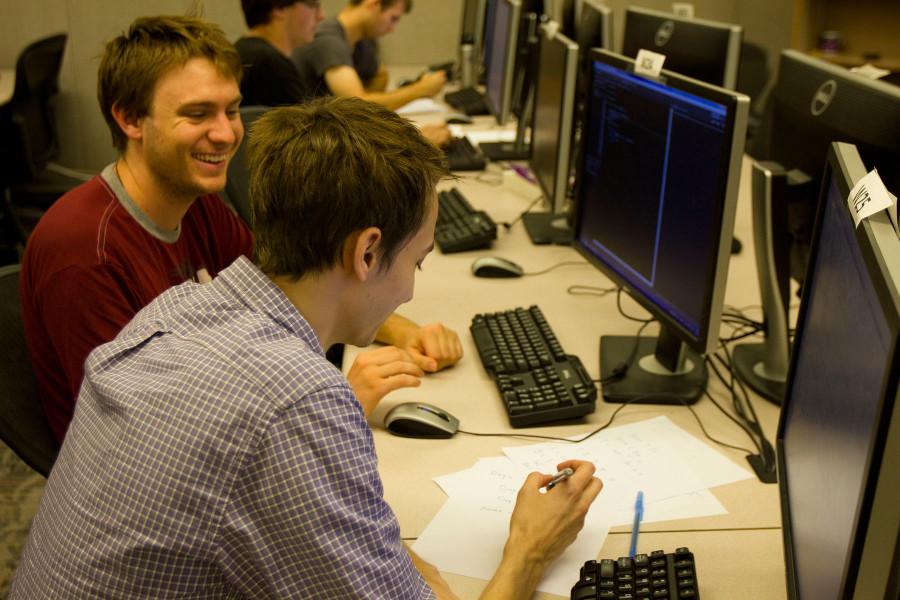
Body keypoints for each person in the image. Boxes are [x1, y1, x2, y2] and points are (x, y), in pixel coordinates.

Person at [10, 96, 603, 599]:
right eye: (416, 260)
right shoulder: (294, 401)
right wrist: (528, 549)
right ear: (367, 252)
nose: (412, 288)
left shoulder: (176, 310)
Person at [19, 14, 461, 443]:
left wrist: (398, 328)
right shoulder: (84, 251)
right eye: (197, 114)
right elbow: (132, 434)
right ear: (130, 120)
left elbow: (286, 287)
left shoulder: (195, 204)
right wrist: (337, 405)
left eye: (231, 110)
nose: (227, 134)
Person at [292, 0, 446, 111]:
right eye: (393, 18)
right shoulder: (328, 39)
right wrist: (420, 90)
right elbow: (357, 105)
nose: (392, 29)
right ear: (373, 4)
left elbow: (380, 77)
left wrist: (366, 94)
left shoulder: (363, 40)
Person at [234, 0, 325, 106]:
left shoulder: (239, 53)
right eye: (313, 5)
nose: (321, 16)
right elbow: (305, 121)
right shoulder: (269, 64)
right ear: (279, 8)